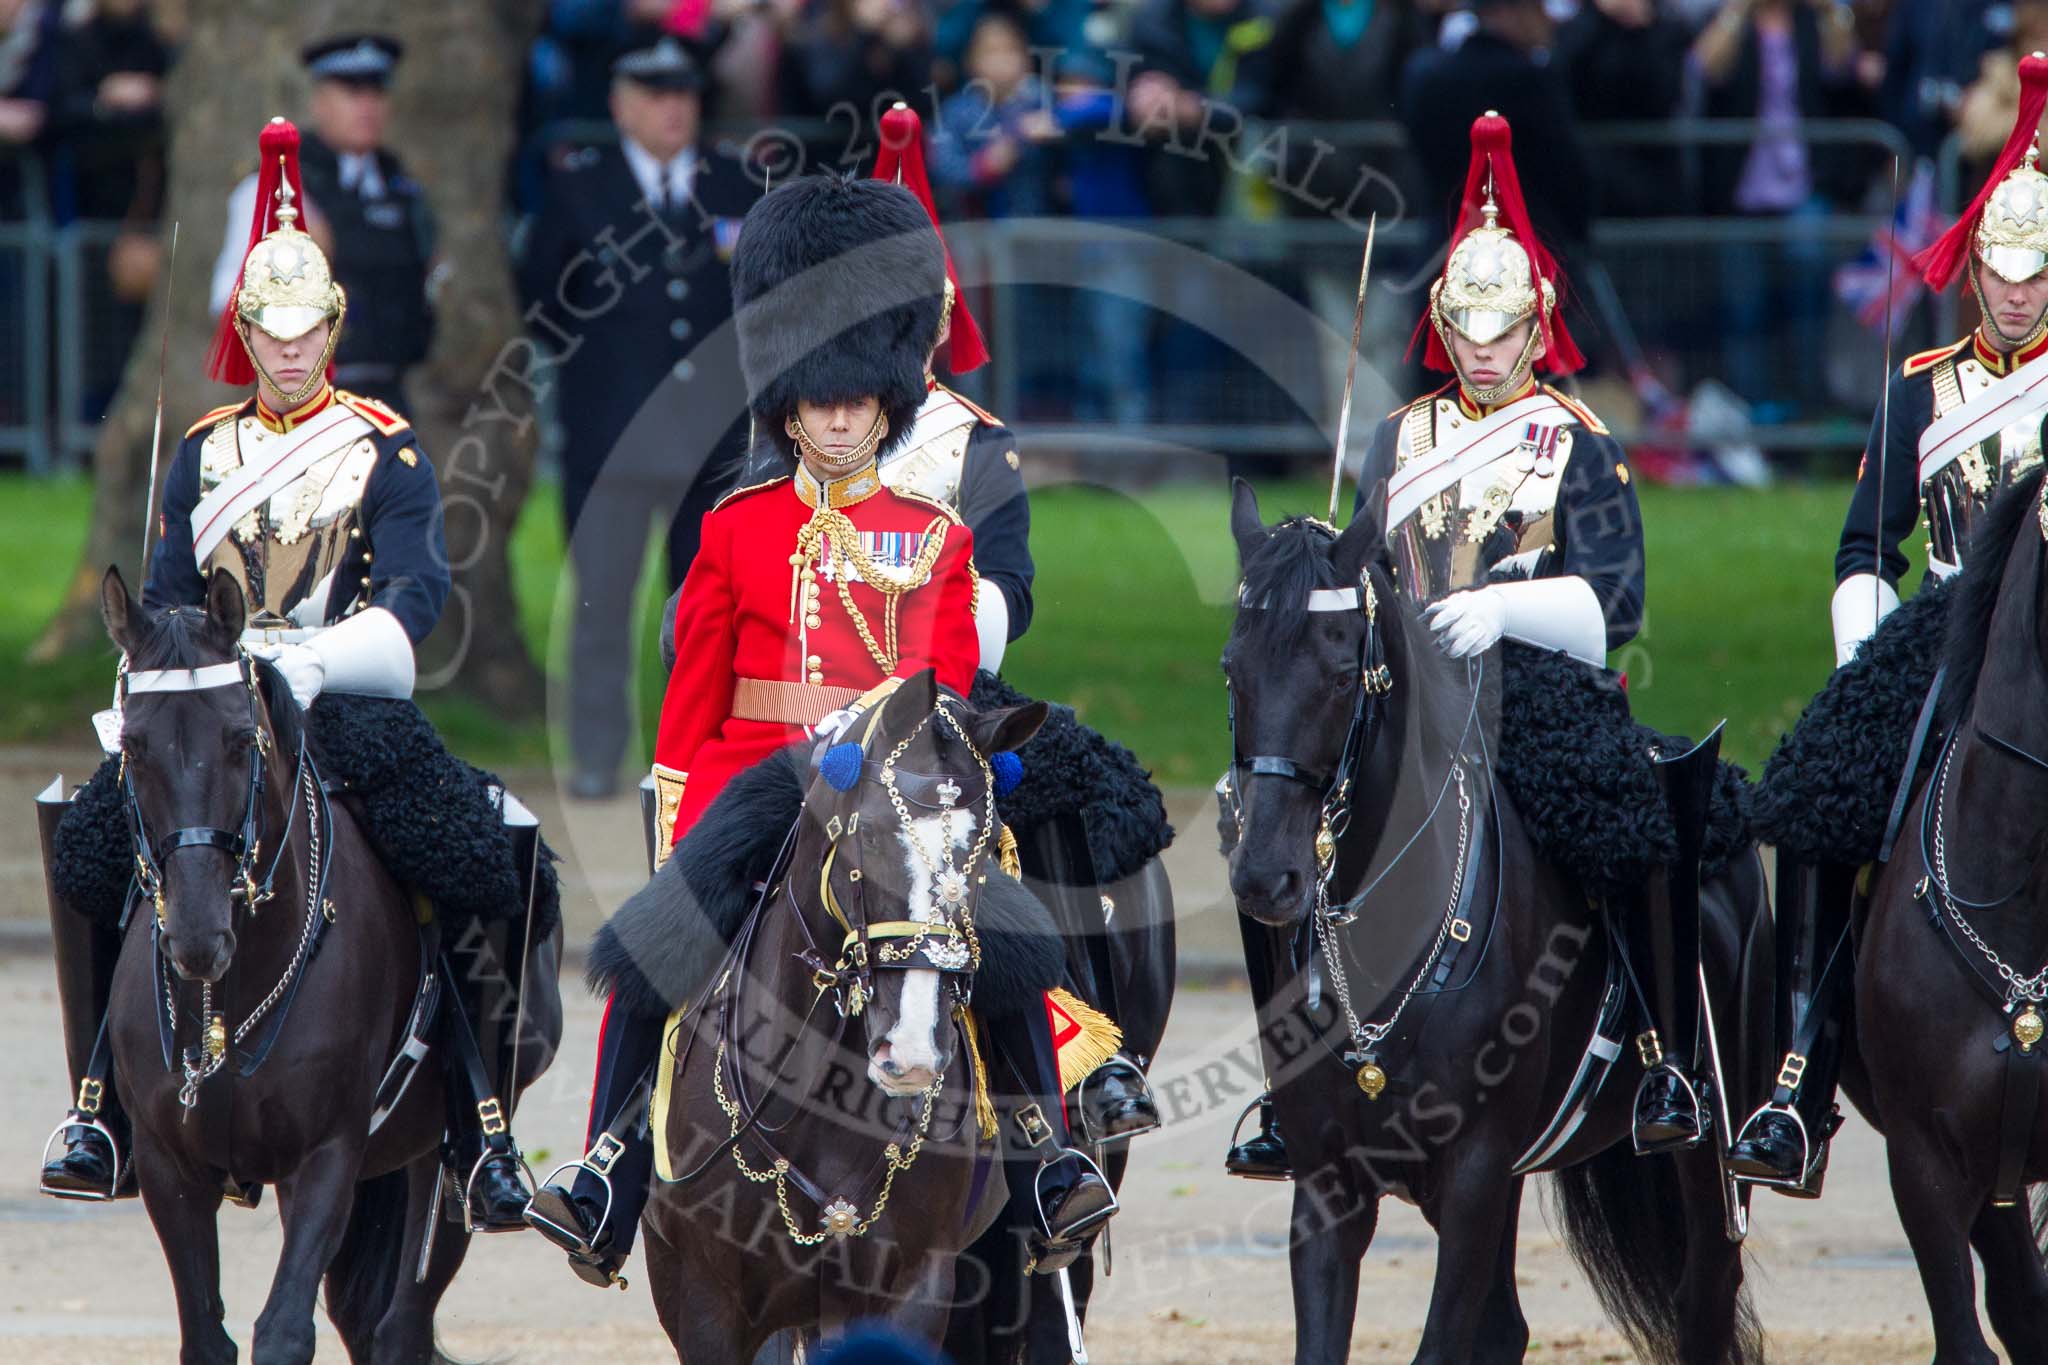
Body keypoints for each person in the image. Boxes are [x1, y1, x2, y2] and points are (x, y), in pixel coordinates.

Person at [524, 172, 1117, 1289]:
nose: (839, 417)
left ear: (884, 401)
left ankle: (1042, 1157)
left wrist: (935, 800)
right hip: (753, 774)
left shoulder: (933, 537)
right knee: (655, 945)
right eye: (818, 401)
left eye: (856, 401)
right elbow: (693, 696)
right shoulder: (735, 527)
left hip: (892, 778)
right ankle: (607, 1166)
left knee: (999, 933)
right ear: (788, 407)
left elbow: (941, 691)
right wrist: (682, 819)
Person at [39, 118, 539, 1230]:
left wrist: (304, 663)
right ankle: (97, 1106)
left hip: (338, 697)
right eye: (269, 330)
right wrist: (177, 675)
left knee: (468, 843)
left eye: (308, 330)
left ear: (334, 328)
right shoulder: (201, 450)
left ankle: (479, 1120)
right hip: (207, 702)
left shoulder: (385, 449)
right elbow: (168, 592)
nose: (290, 350)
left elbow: (416, 598)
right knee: (82, 839)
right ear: (245, 330)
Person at [1226, 112, 1719, 1175]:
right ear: (1441, 330)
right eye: (1465, 332)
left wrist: (1501, 611)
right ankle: (1286, 1089)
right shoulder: (1397, 435)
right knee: (1266, 822)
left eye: (1502, 334)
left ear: (1536, 328)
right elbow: (1362, 559)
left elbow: (1612, 609)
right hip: (1399, 698)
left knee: (1621, 811)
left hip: (1532, 689)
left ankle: (1661, 1051)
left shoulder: (1579, 444)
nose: (1483, 352)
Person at [1732, 56, 2048, 1194]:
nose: (2014, 296)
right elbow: (1863, 547)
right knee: (1815, 799)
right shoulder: (1918, 387)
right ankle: (1796, 1078)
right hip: (1940, 637)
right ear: (1968, 272)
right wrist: (1862, 648)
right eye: (1998, 276)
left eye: (2034, 277)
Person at [519, 34, 759, 799]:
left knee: (705, 613)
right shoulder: (579, 189)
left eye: (684, 94)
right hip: (612, 435)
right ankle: (596, 755)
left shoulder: (737, 184)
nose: (672, 108)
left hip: (713, 440)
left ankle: (698, 757)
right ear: (621, 105)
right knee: (600, 606)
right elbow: (542, 300)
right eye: (655, 94)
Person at [207, 34, 435, 415]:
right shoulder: (280, 188)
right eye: (351, 92)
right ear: (319, 102)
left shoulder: (402, 189)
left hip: (390, 391)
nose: (367, 106)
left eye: (376, 92)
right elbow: (227, 298)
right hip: (307, 395)